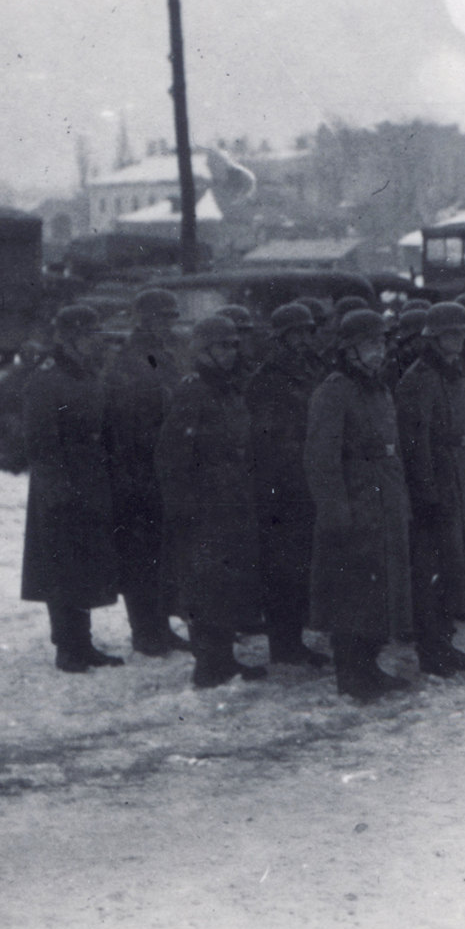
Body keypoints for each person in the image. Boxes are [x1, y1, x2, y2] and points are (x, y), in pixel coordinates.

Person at [304, 309, 415, 703]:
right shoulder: (335, 391)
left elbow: (393, 451)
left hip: (384, 502)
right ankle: (351, 675)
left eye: (382, 343)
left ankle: (369, 666)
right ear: (349, 350)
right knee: (352, 594)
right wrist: (336, 511)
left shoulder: (379, 389)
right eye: (370, 344)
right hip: (354, 504)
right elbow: (321, 458)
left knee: (379, 591)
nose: (378, 351)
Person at [156, 315, 268, 689]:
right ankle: (208, 665)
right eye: (224, 346)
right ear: (204, 351)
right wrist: (185, 509)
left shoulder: (227, 389)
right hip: (205, 507)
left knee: (226, 584)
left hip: (231, 501)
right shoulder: (194, 393)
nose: (232, 352)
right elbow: (173, 458)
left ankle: (222, 659)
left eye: (235, 345)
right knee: (205, 586)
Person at [20, 305, 125, 672]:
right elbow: (40, 444)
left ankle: (83, 643)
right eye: (92, 335)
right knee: (62, 569)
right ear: (72, 339)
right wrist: (60, 493)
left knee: (84, 566)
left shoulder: (86, 374)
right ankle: (67, 647)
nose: (99, 342)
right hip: (62, 488)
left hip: (91, 483)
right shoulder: (46, 380)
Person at [396, 303, 465, 676]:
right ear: (433, 338)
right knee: (430, 569)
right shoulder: (419, 379)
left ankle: (443, 643)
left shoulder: (455, 375)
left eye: (461, 333)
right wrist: (426, 492)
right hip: (437, 481)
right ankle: (433, 649)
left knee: (453, 565)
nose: (457, 340)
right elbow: (415, 441)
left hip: (459, 476)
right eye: (450, 333)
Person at [102, 287, 190, 655]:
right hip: (135, 472)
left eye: (170, 319)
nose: (168, 326)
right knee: (140, 557)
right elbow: (124, 422)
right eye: (162, 319)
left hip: (161, 470)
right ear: (144, 320)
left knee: (161, 552)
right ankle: (145, 632)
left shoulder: (163, 357)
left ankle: (160, 625)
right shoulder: (126, 362)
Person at [245, 302, 327, 667]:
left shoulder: (310, 370)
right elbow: (266, 439)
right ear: (280, 338)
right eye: (295, 334)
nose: (302, 340)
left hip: (305, 480)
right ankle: (284, 643)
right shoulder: (267, 379)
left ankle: (292, 638)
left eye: (306, 332)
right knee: (282, 568)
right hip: (281, 487)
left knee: (300, 564)